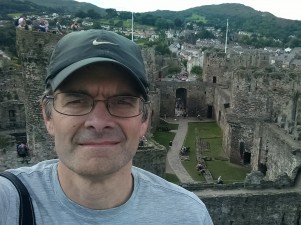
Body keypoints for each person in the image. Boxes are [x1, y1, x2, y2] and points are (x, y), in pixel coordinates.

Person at [0, 30, 213, 225]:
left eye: (122, 101)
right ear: (48, 116)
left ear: (144, 120)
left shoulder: (190, 216)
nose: (99, 122)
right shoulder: (8, 202)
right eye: (77, 100)